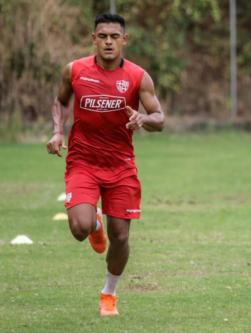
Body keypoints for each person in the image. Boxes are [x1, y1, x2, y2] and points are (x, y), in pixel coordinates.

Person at [46, 13, 165, 316]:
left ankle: (108, 293)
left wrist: (143, 118)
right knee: (79, 228)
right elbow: (61, 101)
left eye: (114, 36)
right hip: (83, 160)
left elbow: (159, 118)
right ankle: (94, 222)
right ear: (94, 39)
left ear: (125, 40)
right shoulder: (74, 70)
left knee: (121, 236)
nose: (108, 42)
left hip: (121, 164)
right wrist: (58, 131)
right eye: (103, 36)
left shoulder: (138, 76)